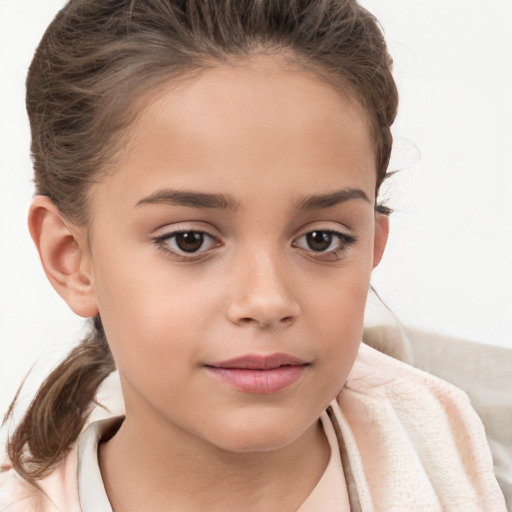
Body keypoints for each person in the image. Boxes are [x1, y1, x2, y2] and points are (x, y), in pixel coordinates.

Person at [0, 0, 508, 510]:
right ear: (71, 259)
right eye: (189, 240)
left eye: (321, 239)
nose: (266, 301)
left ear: (373, 245)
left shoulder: (473, 471)